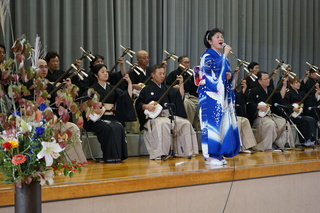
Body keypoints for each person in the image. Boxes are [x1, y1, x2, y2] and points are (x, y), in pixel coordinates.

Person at [23, 59, 87, 164]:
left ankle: (72, 162)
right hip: (32, 118)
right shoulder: (26, 85)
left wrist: (68, 89)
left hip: (49, 119)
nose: (44, 69)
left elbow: (60, 105)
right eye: (41, 67)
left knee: (72, 127)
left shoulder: (49, 86)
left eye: (45, 67)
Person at [135, 64, 198, 160]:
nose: (162, 76)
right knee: (163, 124)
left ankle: (185, 151)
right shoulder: (146, 89)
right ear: (152, 75)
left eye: (163, 73)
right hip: (155, 117)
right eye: (160, 74)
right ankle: (161, 153)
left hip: (168, 115)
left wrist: (181, 84)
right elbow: (139, 103)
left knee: (186, 123)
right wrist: (145, 106)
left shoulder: (167, 88)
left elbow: (178, 98)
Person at [196, 28, 240, 165]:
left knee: (222, 126)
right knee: (211, 126)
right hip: (210, 97)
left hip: (222, 98)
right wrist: (225, 56)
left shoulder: (222, 58)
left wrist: (229, 76)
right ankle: (210, 155)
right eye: (217, 37)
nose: (221, 39)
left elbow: (225, 76)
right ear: (210, 41)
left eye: (222, 36)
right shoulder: (207, 56)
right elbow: (210, 73)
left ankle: (219, 153)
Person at [83, 64, 136, 163]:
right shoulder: (91, 90)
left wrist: (129, 83)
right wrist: (94, 108)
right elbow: (84, 105)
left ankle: (119, 156)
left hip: (111, 116)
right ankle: (109, 156)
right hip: (97, 119)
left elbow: (126, 98)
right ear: (96, 75)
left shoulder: (112, 88)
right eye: (102, 72)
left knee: (119, 126)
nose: (105, 74)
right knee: (108, 128)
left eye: (106, 71)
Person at [247, 71, 294, 151]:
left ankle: (283, 144)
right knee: (270, 124)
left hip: (270, 115)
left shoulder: (270, 91)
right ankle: (265, 146)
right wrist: (258, 106)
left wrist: (284, 85)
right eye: (266, 79)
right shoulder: (254, 91)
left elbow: (280, 97)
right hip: (259, 117)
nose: (268, 80)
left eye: (268, 78)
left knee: (284, 122)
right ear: (259, 81)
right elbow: (248, 104)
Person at [282, 77, 318, 146]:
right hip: (293, 115)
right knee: (306, 121)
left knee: (312, 119)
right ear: (291, 84)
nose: (298, 84)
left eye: (299, 82)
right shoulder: (289, 93)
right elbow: (285, 103)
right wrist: (293, 108)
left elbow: (309, 99)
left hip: (299, 114)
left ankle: (311, 138)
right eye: (296, 83)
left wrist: (316, 93)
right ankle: (305, 140)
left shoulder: (301, 93)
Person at [166, 56, 199, 130]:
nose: (187, 64)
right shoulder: (173, 74)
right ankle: (187, 125)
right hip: (178, 96)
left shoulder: (190, 74)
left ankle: (198, 126)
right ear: (179, 63)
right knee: (188, 104)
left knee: (202, 103)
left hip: (190, 95)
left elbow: (194, 89)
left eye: (188, 62)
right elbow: (168, 86)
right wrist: (175, 87)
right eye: (185, 62)